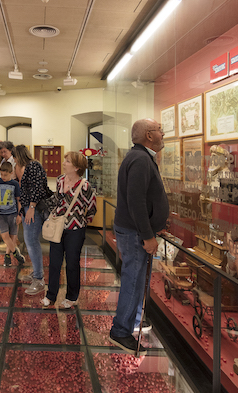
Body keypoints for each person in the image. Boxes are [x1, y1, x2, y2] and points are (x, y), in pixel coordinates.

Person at [109, 119, 169, 355]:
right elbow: (136, 201)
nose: (163, 134)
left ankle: (132, 320)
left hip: (136, 231)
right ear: (149, 135)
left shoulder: (140, 157)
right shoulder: (141, 159)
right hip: (135, 233)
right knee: (133, 281)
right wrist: (147, 235)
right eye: (159, 130)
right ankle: (121, 331)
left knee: (135, 280)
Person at [41, 151, 97, 310]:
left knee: (72, 263)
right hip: (58, 226)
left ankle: (71, 297)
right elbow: (57, 200)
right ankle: (50, 295)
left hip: (76, 230)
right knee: (54, 262)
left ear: (77, 167)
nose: (64, 163)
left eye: (67, 161)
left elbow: (92, 207)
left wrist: (83, 220)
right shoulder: (60, 180)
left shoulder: (85, 186)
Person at [13, 144, 53, 294]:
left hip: (33, 208)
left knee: (31, 241)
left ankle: (39, 279)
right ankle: (37, 272)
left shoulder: (33, 165)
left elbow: (37, 188)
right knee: (29, 240)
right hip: (27, 207)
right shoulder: (25, 167)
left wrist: (31, 207)